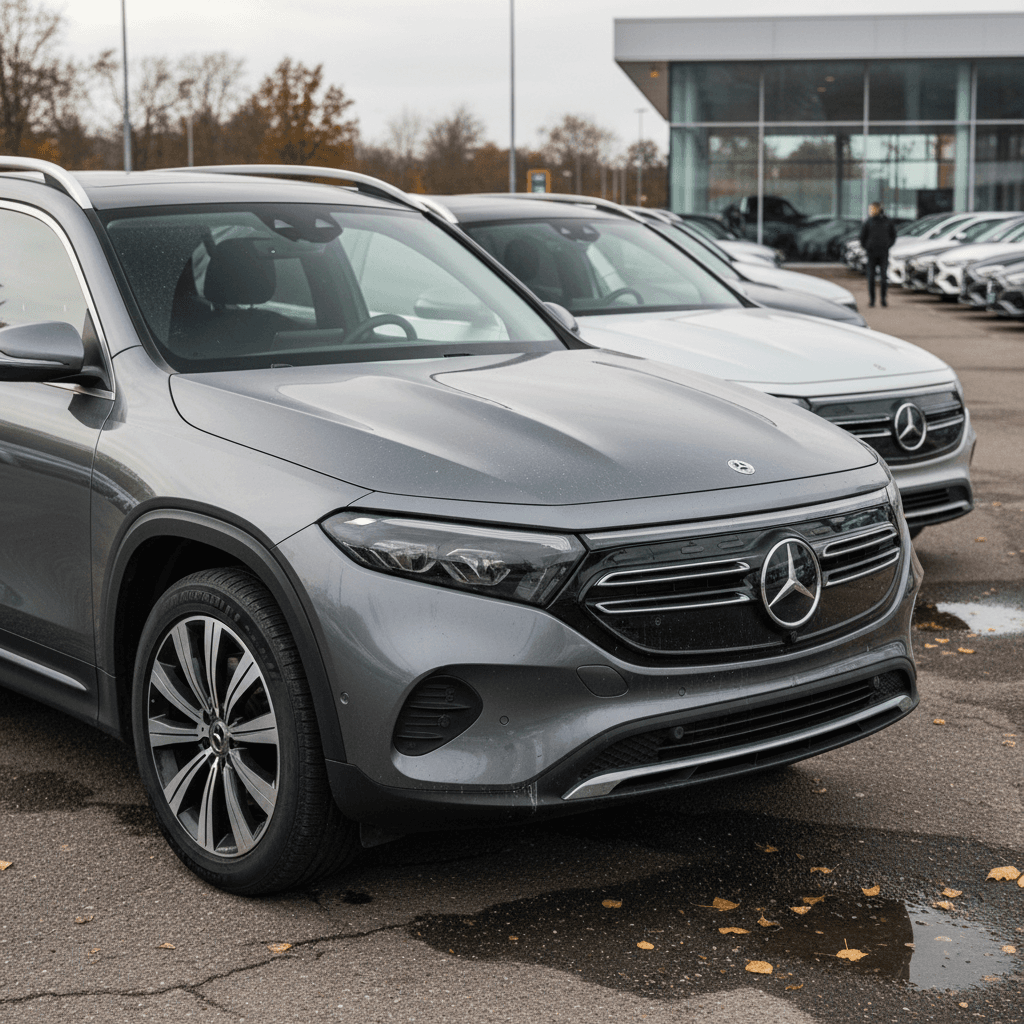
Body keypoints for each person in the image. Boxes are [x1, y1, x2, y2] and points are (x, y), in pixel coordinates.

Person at [859, 202, 897, 307]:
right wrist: (867, 247)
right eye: (870, 209)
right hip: (871, 254)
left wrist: (887, 245)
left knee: (883, 278)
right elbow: (862, 237)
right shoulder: (868, 222)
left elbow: (893, 236)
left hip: (883, 253)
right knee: (871, 278)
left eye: (872, 209)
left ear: (878, 209)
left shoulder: (887, 222)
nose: (870, 211)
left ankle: (883, 299)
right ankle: (872, 300)